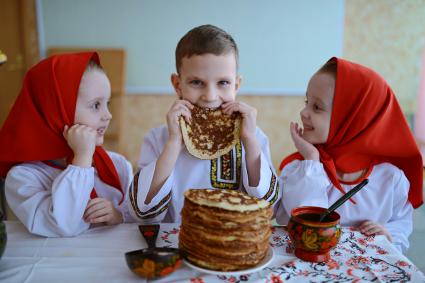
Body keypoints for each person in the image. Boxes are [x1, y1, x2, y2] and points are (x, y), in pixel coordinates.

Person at [129, 24, 279, 222]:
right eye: (197, 82)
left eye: (223, 83)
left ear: (237, 85)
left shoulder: (254, 137)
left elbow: (268, 207)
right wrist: (174, 144)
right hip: (178, 243)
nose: (210, 96)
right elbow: (144, 213)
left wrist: (250, 141)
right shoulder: (159, 139)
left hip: (235, 243)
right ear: (177, 84)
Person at [276, 57, 423, 253]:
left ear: (353, 117)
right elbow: (306, 226)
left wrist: (387, 236)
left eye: (317, 107)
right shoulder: (300, 170)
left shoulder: (391, 178)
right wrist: (311, 158)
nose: (303, 112)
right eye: (307, 102)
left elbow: (401, 226)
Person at [0, 52, 133, 237]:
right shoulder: (23, 178)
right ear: (56, 110)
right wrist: (82, 159)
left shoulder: (118, 166)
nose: (108, 115)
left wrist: (119, 215)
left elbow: (140, 220)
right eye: (96, 105)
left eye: (107, 103)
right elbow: (62, 225)